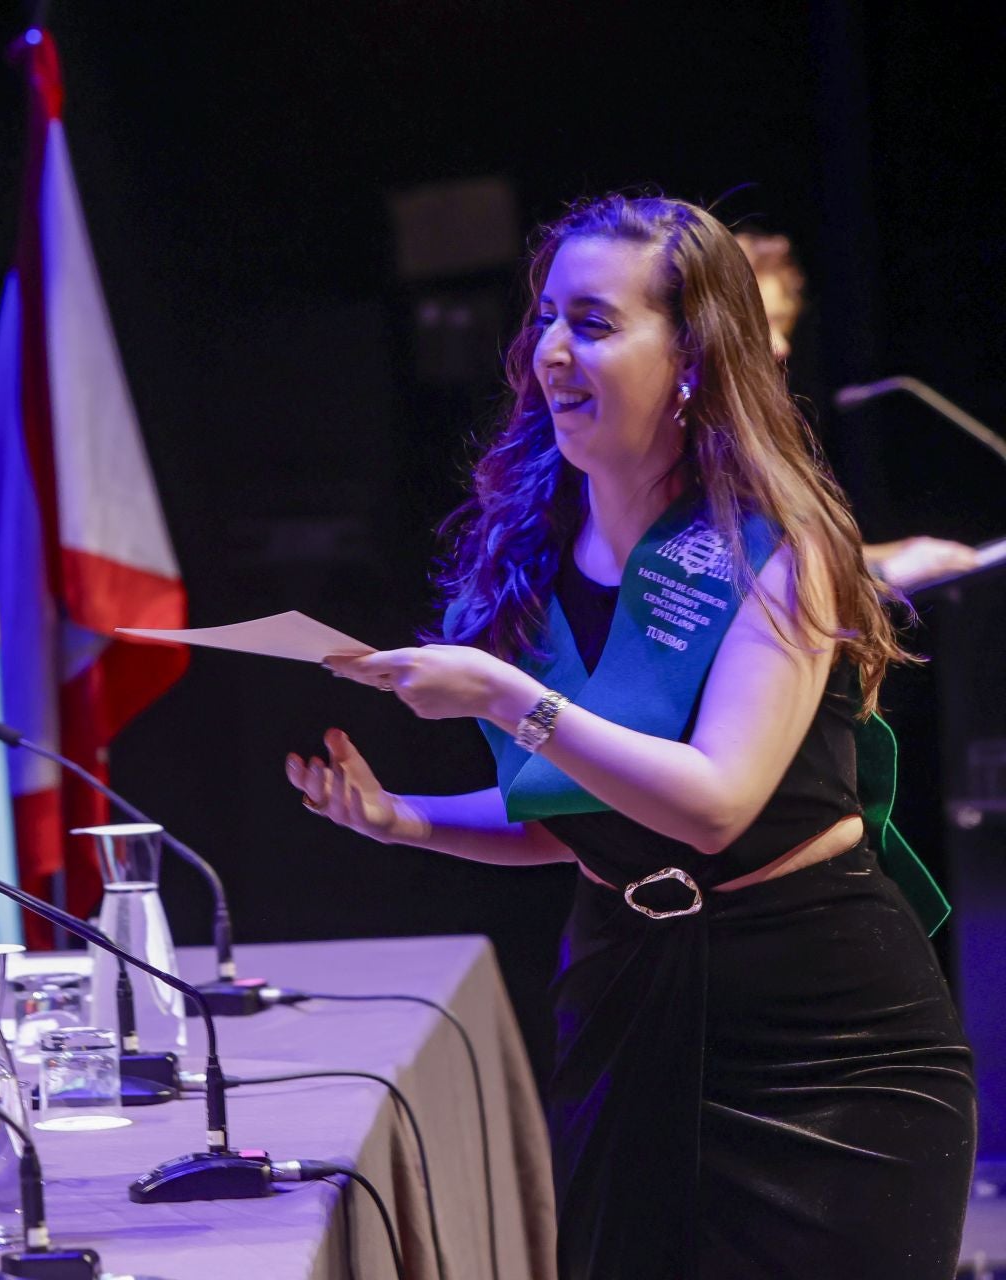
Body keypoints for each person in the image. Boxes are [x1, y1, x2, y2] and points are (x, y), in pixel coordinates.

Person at [288, 195, 975, 1277]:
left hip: (822, 1032)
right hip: (625, 994)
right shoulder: (526, 560)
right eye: (550, 318)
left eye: (597, 323)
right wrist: (399, 819)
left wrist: (508, 697)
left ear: (694, 358)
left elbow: (712, 803)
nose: (554, 350)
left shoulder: (779, 547)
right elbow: (579, 822)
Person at [736, 229, 979, 593]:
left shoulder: (759, 427)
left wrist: (904, 553)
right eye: (762, 322)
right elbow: (752, 579)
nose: (781, 345)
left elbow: (795, 556)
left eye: (782, 321)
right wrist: (886, 575)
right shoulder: (690, 435)